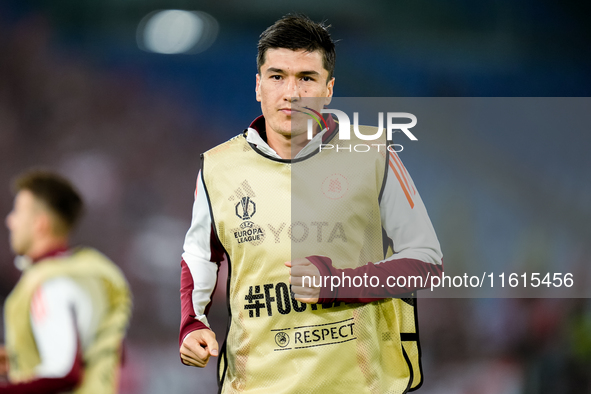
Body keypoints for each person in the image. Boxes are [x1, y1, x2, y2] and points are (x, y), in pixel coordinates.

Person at [179, 14, 443, 393]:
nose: (291, 92)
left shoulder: (373, 153)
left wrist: (337, 283)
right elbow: (200, 254)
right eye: (277, 76)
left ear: (328, 89)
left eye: (307, 78)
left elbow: (426, 262)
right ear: (258, 86)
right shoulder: (217, 167)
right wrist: (192, 322)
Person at [0, 170, 132, 394]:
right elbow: (111, 354)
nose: (10, 220)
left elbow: (64, 372)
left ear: (40, 224)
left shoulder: (50, 283)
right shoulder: (86, 272)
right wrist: (17, 358)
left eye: (18, 211)